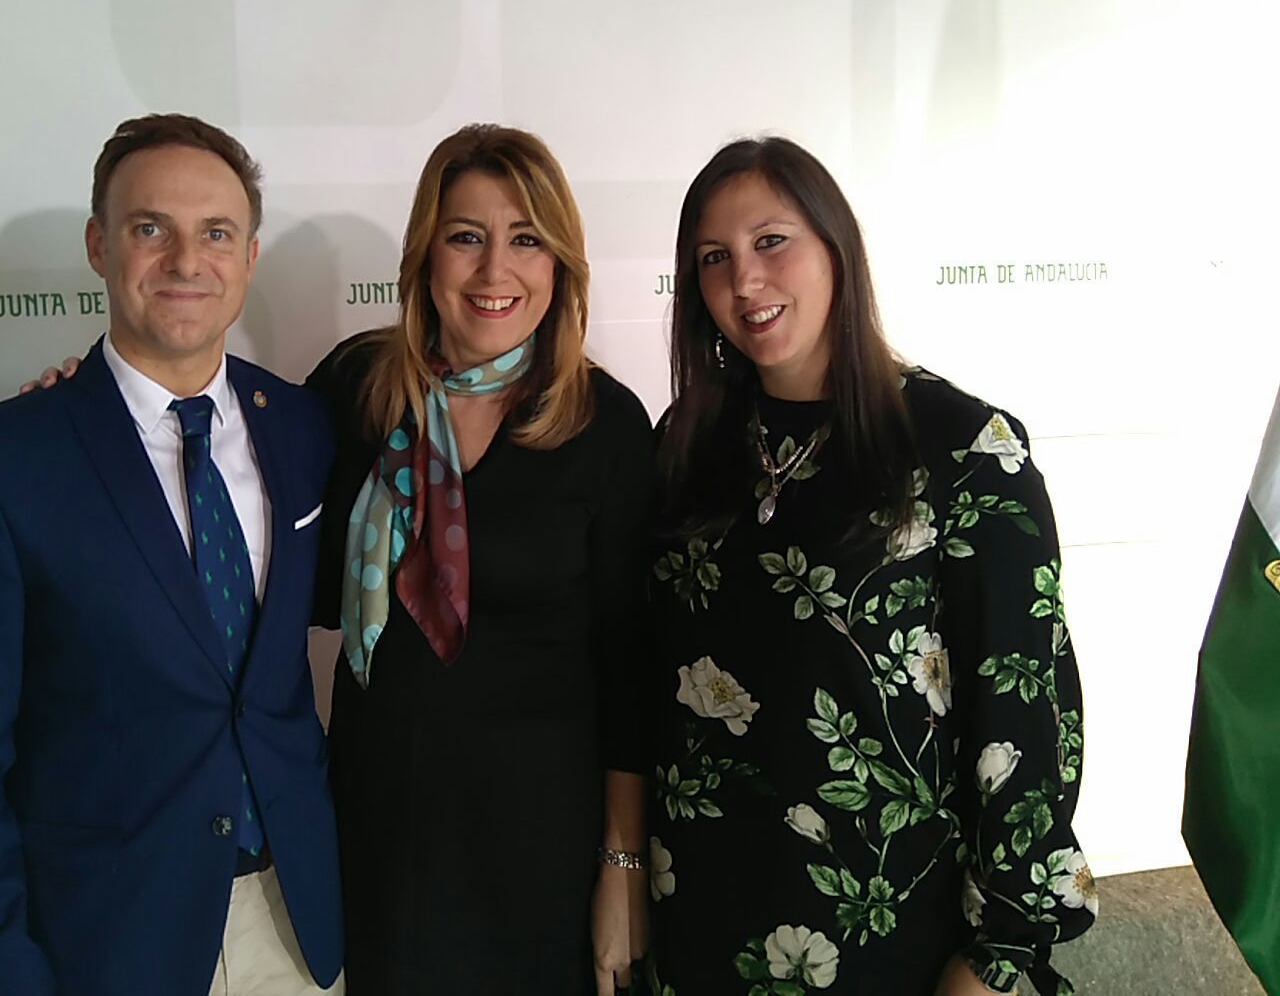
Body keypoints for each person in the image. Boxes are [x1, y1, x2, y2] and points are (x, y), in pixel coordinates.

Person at [0, 114, 344, 996]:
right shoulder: (2, 464)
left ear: (250, 257)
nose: (187, 260)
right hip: (106, 943)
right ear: (101, 246)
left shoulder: (303, 426)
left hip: (295, 927)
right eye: (152, 229)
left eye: (216, 233)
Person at [646, 138, 1094, 996]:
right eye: (714, 258)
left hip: (888, 931)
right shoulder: (688, 443)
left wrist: (1001, 954)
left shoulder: (963, 448)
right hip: (700, 917)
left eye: (771, 241)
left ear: (836, 248)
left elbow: (1024, 709)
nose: (744, 281)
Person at [307, 124, 655, 995]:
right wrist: (91, 400)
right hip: (377, 835)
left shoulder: (607, 427)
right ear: (426, 255)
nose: (495, 270)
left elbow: (629, 670)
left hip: (539, 851)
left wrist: (623, 865)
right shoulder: (352, 390)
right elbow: (232, 486)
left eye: (526, 239)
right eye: (467, 237)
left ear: (560, 266)